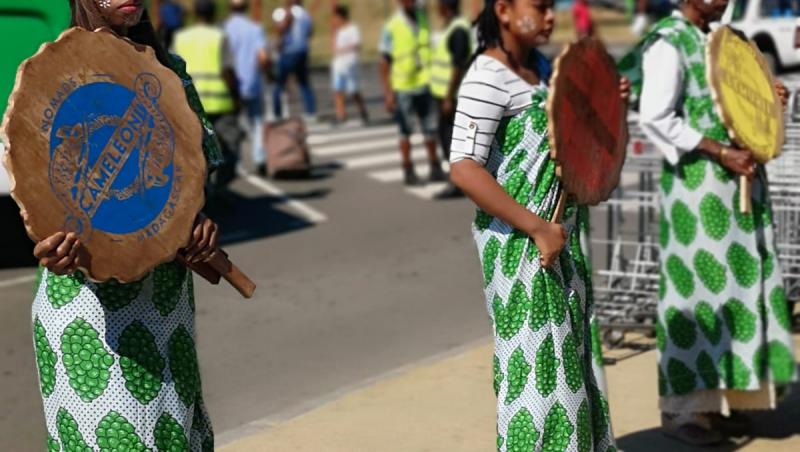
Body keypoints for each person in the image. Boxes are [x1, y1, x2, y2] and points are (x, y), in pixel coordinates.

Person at [31, 1, 224, 449]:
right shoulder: (50, 74)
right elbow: (36, 193)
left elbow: (192, 181)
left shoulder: (169, 73)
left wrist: (199, 225)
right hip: (87, 315)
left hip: (163, 306)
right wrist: (48, 247)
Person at [448, 1, 630, 449]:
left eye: (553, 6)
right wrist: (536, 228)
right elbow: (464, 167)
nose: (550, 16)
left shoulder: (544, 68)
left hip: (559, 239)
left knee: (570, 371)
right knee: (534, 378)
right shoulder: (486, 78)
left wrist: (608, 98)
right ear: (505, 10)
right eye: (540, 6)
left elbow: (570, 139)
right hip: (520, 251)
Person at [619, 0, 797, 445]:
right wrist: (719, 151)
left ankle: (728, 401)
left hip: (742, 189)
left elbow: (742, 106)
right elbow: (657, 115)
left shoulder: (728, 39)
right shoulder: (669, 42)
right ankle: (685, 413)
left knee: (739, 291)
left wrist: (770, 102)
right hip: (698, 194)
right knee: (698, 293)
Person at [174, 0, 242, 196]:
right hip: (219, 103)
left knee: (194, 154)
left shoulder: (181, 37)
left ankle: (204, 193)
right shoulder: (219, 37)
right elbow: (227, 71)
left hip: (190, 106)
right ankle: (219, 190)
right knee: (229, 149)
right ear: (213, 15)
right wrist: (236, 97)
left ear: (195, 14)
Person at [379, 0, 446, 186]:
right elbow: (384, 61)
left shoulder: (423, 20)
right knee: (405, 131)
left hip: (425, 83)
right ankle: (408, 169)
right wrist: (388, 92)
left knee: (430, 128)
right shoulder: (392, 26)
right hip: (403, 86)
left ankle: (435, 167)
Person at [224, 0, 270, 177]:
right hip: (253, 82)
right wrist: (268, 72)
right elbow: (263, 57)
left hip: (233, 83)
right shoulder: (255, 28)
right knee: (257, 121)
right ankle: (259, 157)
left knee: (235, 123)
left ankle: (238, 162)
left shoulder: (225, 29)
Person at [431, 0, 472, 199]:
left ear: (445, 7)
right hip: (446, 95)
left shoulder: (458, 30)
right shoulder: (452, 27)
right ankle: (458, 181)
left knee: (452, 141)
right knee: (447, 138)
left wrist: (448, 96)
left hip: (453, 97)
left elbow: (457, 65)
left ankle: (457, 183)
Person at [273, 0, 316, 121]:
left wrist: (279, 41)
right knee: (304, 82)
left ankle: (278, 113)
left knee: (279, 84)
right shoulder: (306, 15)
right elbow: (310, 32)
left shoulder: (289, 12)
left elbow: (282, 28)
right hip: (302, 51)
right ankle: (311, 112)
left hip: (288, 51)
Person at [331, 4, 369, 125]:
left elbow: (357, 45)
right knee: (338, 90)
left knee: (353, 91)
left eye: (336, 17)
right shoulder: (338, 31)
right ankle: (341, 115)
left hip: (350, 64)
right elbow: (335, 47)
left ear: (342, 17)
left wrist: (344, 49)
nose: (335, 20)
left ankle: (363, 110)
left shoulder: (352, 28)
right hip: (339, 65)